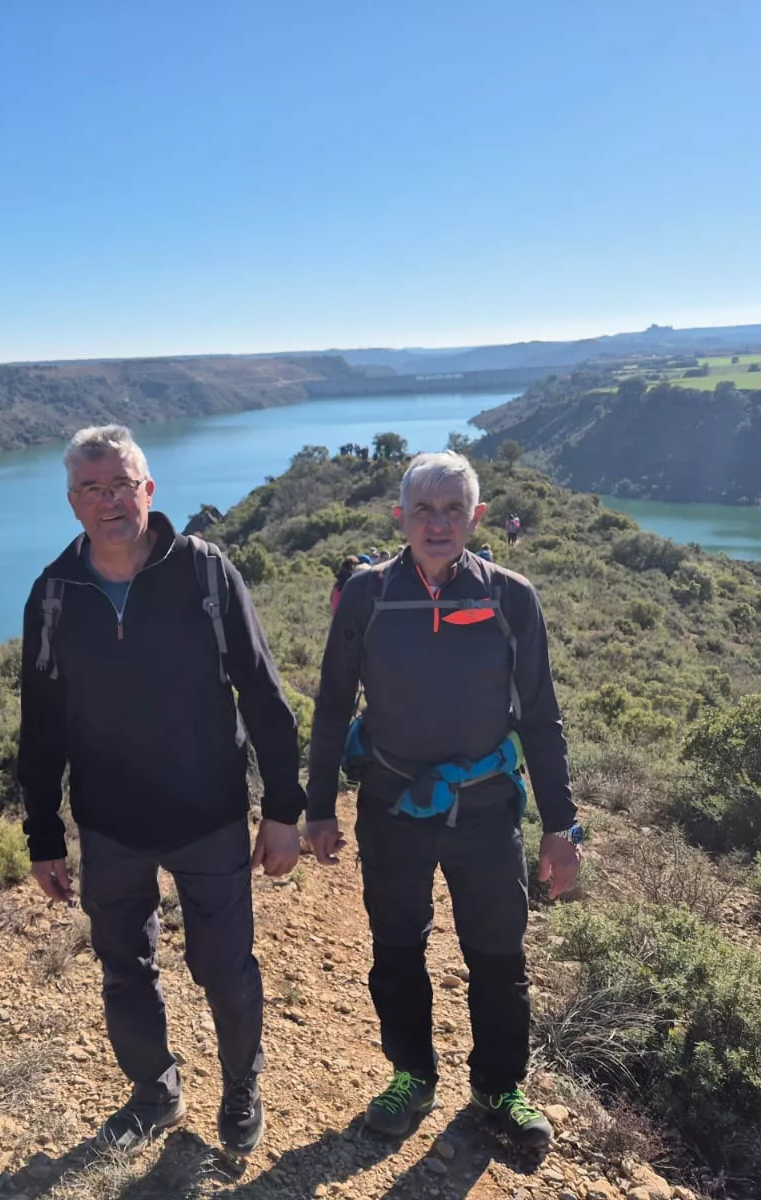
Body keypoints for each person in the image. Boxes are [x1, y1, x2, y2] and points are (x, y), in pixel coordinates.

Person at [17, 425, 341, 1156]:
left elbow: (263, 694)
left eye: (123, 484)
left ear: (148, 490)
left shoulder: (203, 572)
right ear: (73, 503)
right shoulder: (54, 593)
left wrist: (283, 811)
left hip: (209, 816)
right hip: (108, 824)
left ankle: (240, 1085)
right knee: (124, 968)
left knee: (224, 965)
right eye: (93, 489)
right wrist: (42, 835)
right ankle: (153, 1091)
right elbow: (40, 725)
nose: (110, 502)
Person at [308, 451, 582, 1151]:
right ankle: (412, 1075)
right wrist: (318, 808)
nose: (437, 524)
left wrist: (561, 826)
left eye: (452, 509)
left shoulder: (509, 597)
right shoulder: (367, 597)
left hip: (488, 809)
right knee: (396, 949)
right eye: (423, 510)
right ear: (400, 516)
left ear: (475, 517)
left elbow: (541, 716)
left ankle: (498, 1086)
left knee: (497, 955)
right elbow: (334, 703)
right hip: (392, 807)